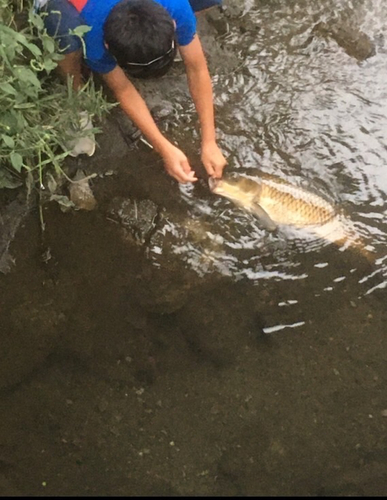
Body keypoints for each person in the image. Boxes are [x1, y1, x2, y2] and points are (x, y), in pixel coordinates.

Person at [34, 0, 227, 184]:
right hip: (74, 5)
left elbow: (197, 69)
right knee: (66, 36)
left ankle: (157, 46)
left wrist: (209, 141)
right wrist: (163, 147)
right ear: (108, 46)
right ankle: (74, 95)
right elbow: (123, 88)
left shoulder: (176, 5)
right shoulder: (93, 38)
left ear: (172, 23)